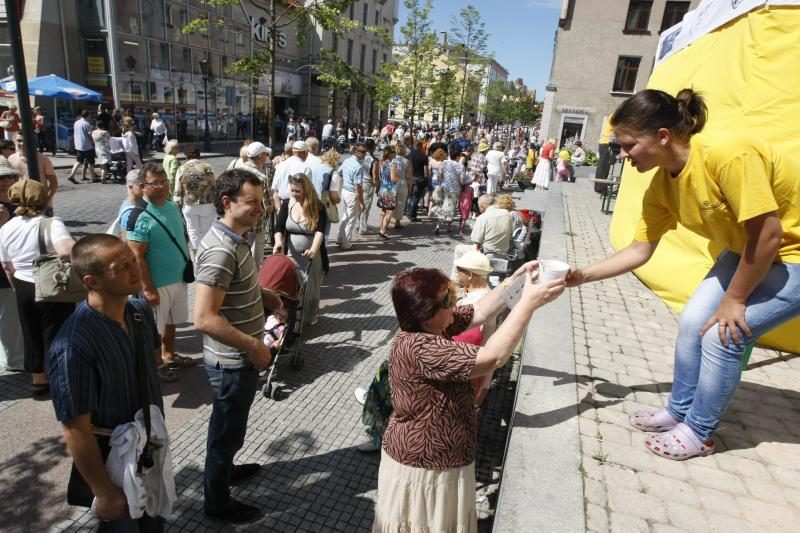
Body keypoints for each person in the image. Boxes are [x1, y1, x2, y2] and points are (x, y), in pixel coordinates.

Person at [568, 88, 800, 460]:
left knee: (724, 335)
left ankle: (700, 432)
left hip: (791, 253)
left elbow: (769, 234)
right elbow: (638, 250)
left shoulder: (728, 155)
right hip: (748, 250)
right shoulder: (661, 184)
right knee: (693, 322)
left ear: (662, 136)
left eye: (628, 145)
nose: (623, 156)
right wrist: (580, 275)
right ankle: (679, 412)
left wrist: (734, 300)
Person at [373, 263, 565, 532]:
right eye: (447, 300)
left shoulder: (434, 326)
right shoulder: (421, 347)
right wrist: (528, 304)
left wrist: (516, 281)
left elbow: (481, 311)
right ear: (426, 316)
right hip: (425, 465)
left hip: (441, 457)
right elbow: (493, 358)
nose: (455, 301)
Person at [47, 234, 171, 531]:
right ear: (93, 281)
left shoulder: (139, 311)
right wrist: (102, 490)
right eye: (122, 266)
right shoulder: (74, 344)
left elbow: (154, 359)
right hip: (113, 461)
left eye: (132, 259)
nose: (135, 268)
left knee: (154, 521)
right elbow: (76, 429)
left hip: (150, 445)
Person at [194, 169, 272, 524]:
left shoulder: (237, 239)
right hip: (232, 364)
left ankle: (224, 470)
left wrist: (266, 297)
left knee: (229, 429)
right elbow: (205, 318)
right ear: (227, 203)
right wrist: (253, 346)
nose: (262, 208)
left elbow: (234, 290)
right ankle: (217, 501)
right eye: (253, 202)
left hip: (237, 362)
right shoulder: (222, 250)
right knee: (226, 432)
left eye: (262, 201)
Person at [0, 179, 75, 395]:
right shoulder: (51, 223)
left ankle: (38, 380)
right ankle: (59, 377)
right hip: (51, 284)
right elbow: (65, 250)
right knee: (57, 331)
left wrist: (17, 287)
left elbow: (7, 265)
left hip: (23, 284)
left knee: (31, 332)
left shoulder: (7, 227)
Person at [126, 163, 195, 383]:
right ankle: (156, 365)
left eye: (164, 181)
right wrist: (148, 288)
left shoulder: (172, 206)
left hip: (178, 278)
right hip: (156, 283)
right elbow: (136, 256)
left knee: (172, 321)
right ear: (142, 187)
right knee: (153, 328)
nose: (162, 186)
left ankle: (169, 355)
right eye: (155, 182)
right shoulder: (138, 215)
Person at [273, 173, 327, 326]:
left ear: (306, 190)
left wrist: (313, 251)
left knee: (310, 289)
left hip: (311, 257)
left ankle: (309, 318)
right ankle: (292, 320)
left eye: (297, 191)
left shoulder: (318, 206)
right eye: (292, 191)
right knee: (292, 289)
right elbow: (279, 226)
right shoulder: (287, 204)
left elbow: (320, 232)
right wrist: (278, 242)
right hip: (291, 255)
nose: (294, 194)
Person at [453, 250, 497, 408]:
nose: (457, 273)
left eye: (459, 270)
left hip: (467, 370)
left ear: (470, 275)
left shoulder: (473, 305)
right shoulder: (483, 293)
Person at [450, 194, 513, 279]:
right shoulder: (506, 214)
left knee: (458, 248)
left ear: (482, 207)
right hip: (503, 252)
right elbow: (510, 235)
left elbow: (477, 242)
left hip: (487, 253)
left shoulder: (483, 217)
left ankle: (456, 280)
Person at [0, 158, 24, 370]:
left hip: (19, 267)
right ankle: (14, 360)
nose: (6, 181)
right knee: (9, 317)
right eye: (1, 177)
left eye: (10, 176)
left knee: (13, 315)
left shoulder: (17, 203)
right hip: (4, 272)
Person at [173, 151, 217, 253]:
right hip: (206, 202)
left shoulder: (182, 169)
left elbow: (177, 190)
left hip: (189, 204)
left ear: (186, 156)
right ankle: (208, 253)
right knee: (207, 229)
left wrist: (178, 203)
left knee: (193, 231)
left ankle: (196, 255)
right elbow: (214, 184)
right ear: (199, 156)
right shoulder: (207, 167)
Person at [239, 142, 273, 266]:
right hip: (255, 222)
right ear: (260, 156)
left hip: (238, 220)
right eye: (266, 154)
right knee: (256, 257)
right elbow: (269, 206)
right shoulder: (261, 177)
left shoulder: (238, 171)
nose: (267, 157)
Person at [9, 133, 59, 215]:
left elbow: (54, 183)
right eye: (19, 140)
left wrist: (47, 200)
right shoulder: (11, 158)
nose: (22, 143)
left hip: (40, 205)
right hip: (20, 205)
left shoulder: (43, 159)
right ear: (14, 141)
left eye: (25, 140)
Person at [337, 142, 367, 249]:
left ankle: (339, 238)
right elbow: (358, 187)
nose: (365, 154)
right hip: (352, 194)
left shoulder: (347, 161)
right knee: (351, 219)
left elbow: (339, 173)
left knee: (345, 216)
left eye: (365, 151)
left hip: (345, 191)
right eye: (363, 152)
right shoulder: (358, 167)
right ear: (356, 152)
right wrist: (362, 203)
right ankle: (346, 243)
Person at [435, 144, 466, 235]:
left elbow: (439, 174)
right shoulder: (460, 166)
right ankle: (449, 226)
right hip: (454, 190)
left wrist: (441, 182)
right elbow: (462, 180)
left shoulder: (444, 162)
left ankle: (438, 225)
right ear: (457, 156)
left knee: (442, 206)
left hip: (444, 187)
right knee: (451, 208)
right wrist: (462, 186)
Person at [113, 169, 146, 240]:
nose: (145, 188)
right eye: (141, 186)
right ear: (130, 187)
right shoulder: (129, 212)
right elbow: (126, 240)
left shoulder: (139, 202)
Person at [68, 110, 97, 184]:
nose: (91, 117)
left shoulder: (76, 122)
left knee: (78, 161)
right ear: (87, 115)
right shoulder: (87, 124)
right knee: (91, 162)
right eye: (90, 115)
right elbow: (90, 135)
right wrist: (93, 143)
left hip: (78, 145)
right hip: (87, 145)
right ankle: (93, 178)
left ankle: (72, 175)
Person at [357, 138, 378, 234]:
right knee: (366, 206)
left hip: (358, 182)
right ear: (373, 147)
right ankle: (363, 228)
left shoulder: (360, 157)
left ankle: (359, 224)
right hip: (368, 183)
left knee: (359, 204)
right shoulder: (374, 160)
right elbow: (375, 176)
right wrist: (377, 186)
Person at [405, 138, 429, 222]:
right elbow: (426, 170)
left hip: (410, 177)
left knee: (410, 196)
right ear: (420, 146)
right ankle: (412, 215)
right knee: (416, 198)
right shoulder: (423, 156)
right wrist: (426, 179)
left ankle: (408, 212)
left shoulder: (408, 155)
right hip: (419, 178)